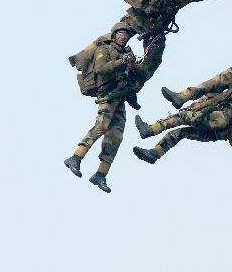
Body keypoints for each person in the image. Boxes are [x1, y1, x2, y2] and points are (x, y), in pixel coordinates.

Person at [63, 22, 162, 193]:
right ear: (114, 35)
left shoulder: (128, 53)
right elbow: (101, 69)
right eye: (121, 33)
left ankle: (101, 174)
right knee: (101, 125)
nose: (123, 36)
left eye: (126, 34)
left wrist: (133, 65)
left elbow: (143, 74)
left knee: (116, 136)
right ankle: (75, 157)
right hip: (108, 95)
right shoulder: (105, 49)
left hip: (121, 98)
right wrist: (120, 62)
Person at [119, 0, 230, 81]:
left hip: (134, 15)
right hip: (151, 25)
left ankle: (116, 58)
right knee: (153, 61)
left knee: (114, 37)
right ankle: (135, 80)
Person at [132, 76, 232, 164]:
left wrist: (203, 104)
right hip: (219, 134)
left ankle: (150, 130)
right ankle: (154, 154)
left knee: (184, 116)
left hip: (220, 120)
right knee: (183, 133)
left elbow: (225, 96)